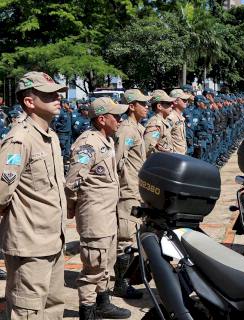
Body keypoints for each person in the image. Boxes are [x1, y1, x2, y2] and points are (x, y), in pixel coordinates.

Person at [0, 71, 67, 319]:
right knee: (27, 311)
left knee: (52, 308)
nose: (57, 98)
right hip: (30, 246)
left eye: (57, 93)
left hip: (53, 240)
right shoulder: (20, 139)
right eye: (49, 95)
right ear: (30, 101)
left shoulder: (50, 137)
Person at [65, 97, 131, 319]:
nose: (120, 120)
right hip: (95, 215)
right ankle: (87, 310)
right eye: (117, 116)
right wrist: (73, 209)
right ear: (102, 119)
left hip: (107, 214)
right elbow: (73, 181)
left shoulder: (106, 140)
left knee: (106, 262)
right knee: (93, 266)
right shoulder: (88, 143)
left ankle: (103, 302)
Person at [113, 89, 150, 299]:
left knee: (133, 236)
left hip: (137, 188)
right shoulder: (126, 130)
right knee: (125, 239)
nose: (146, 107)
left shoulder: (137, 128)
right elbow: (118, 161)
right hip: (127, 190)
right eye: (142, 103)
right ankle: (121, 283)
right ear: (131, 106)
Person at [143, 90, 175, 156]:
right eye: (168, 103)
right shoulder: (155, 124)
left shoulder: (163, 121)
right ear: (159, 106)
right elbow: (148, 149)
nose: (172, 105)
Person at [168, 89, 190, 155]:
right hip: (174, 156)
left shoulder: (180, 117)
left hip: (182, 154)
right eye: (184, 100)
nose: (186, 102)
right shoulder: (171, 117)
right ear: (175, 101)